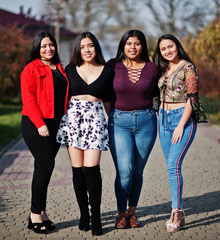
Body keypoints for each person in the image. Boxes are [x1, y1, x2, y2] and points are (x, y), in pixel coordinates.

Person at [56, 32, 114, 236]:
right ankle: (84, 215)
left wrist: (113, 124)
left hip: (95, 121)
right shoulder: (70, 70)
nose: (87, 50)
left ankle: (96, 217)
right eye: (82, 47)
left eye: (90, 46)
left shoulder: (107, 71)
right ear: (77, 50)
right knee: (77, 171)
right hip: (73, 121)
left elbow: (108, 100)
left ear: (96, 47)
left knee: (92, 171)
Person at [107, 29, 158, 229]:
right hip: (119, 121)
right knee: (125, 170)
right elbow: (105, 94)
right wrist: (109, 116)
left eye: (137, 43)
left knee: (138, 170)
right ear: (123, 45)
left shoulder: (152, 68)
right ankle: (120, 214)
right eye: (129, 43)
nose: (133, 47)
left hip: (146, 121)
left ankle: (132, 213)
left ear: (143, 46)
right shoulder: (113, 66)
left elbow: (161, 91)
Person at [20, 32, 69, 234]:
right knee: (47, 165)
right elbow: (28, 99)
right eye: (43, 46)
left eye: (51, 45)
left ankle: (41, 212)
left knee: (42, 168)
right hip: (36, 124)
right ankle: (34, 214)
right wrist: (40, 125)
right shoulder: (30, 69)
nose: (48, 49)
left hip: (56, 124)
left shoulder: (59, 68)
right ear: (36, 48)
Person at [152, 34, 198, 233]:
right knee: (170, 167)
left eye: (170, 46)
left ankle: (177, 212)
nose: (167, 51)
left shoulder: (188, 68)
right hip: (163, 119)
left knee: (173, 166)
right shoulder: (163, 69)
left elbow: (192, 98)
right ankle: (178, 210)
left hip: (182, 120)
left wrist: (181, 125)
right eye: (163, 49)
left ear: (177, 46)